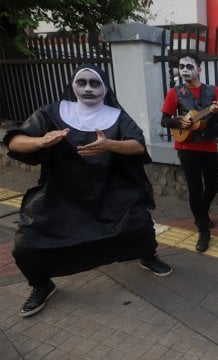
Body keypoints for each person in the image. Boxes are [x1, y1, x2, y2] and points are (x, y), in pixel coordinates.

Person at [3, 64, 172, 318]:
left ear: (105, 89)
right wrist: (42, 140)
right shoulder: (51, 112)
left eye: (95, 84)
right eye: (82, 83)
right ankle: (41, 284)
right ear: (73, 85)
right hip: (60, 193)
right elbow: (15, 141)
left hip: (110, 191)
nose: (88, 89)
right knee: (26, 245)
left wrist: (110, 145)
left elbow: (137, 146)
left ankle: (148, 256)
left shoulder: (115, 116)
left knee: (139, 225)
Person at [160, 53, 218, 252]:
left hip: (208, 146)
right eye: (181, 66)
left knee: (213, 185)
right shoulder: (175, 92)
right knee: (194, 188)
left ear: (199, 69)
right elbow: (165, 120)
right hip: (186, 147)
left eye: (189, 66)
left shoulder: (213, 91)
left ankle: (201, 212)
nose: (184, 70)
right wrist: (178, 121)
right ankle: (203, 229)